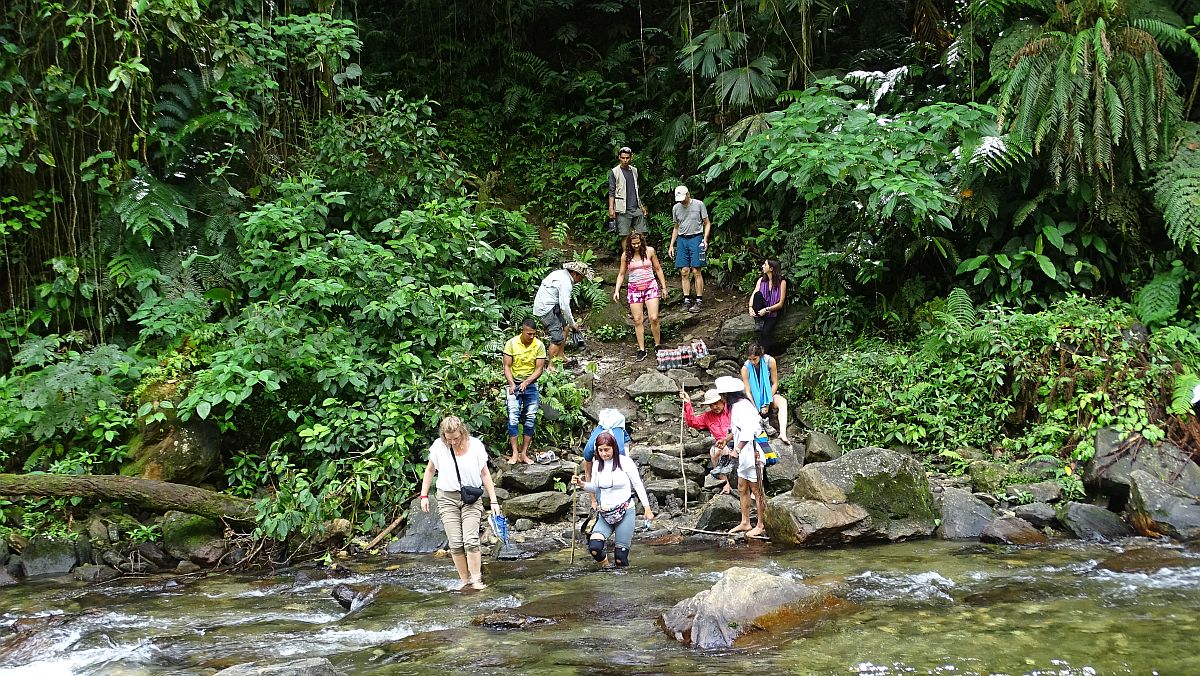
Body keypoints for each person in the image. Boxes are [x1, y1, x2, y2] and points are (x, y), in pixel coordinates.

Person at [418, 416, 502, 590]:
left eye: (456, 438)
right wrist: (424, 496)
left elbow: (485, 474)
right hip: (447, 498)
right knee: (455, 543)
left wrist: (494, 501)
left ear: (462, 432)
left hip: (471, 498)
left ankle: (477, 580)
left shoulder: (476, 446)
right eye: (449, 440)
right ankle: (465, 581)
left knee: (471, 540)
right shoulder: (439, 447)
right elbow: (430, 470)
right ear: (443, 437)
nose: (453, 442)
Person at [570, 432, 653, 568]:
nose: (604, 454)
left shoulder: (625, 462)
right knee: (595, 547)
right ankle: (607, 569)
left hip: (625, 511)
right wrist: (581, 484)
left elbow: (638, 485)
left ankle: (623, 583)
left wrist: (647, 509)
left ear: (614, 447)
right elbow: (595, 487)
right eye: (600, 450)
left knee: (620, 558)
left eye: (607, 450)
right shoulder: (597, 464)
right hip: (605, 513)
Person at [715, 376, 767, 537]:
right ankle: (745, 522)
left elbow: (748, 432)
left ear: (727, 395)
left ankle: (761, 524)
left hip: (752, 453)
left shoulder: (742, 407)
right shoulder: (735, 407)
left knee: (757, 491)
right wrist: (726, 440)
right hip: (744, 454)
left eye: (722, 395)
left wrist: (736, 449)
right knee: (742, 487)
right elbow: (736, 430)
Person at [611, 231, 668, 363]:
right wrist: (617, 290)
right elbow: (621, 274)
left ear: (642, 242)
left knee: (654, 317)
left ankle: (657, 345)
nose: (636, 246)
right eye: (633, 243)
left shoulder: (650, 251)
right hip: (634, 288)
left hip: (650, 286)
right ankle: (642, 349)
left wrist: (664, 287)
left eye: (638, 243)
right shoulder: (626, 256)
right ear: (629, 244)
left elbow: (658, 269)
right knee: (637, 319)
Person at [533, 260, 595, 370]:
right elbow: (564, 306)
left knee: (565, 327)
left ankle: (560, 355)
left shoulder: (560, 273)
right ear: (575, 274)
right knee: (557, 337)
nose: (580, 281)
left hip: (550, 305)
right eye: (581, 278)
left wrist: (569, 324)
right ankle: (551, 366)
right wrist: (573, 323)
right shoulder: (566, 282)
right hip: (546, 309)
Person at [502, 318, 547, 465]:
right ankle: (515, 452)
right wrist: (511, 383)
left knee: (530, 418)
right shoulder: (512, 343)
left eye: (534, 334)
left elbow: (539, 369)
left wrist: (527, 382)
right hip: (514, 383)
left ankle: (524, 453)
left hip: (530, 384)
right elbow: (507, 366)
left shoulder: (539, 345)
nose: (531, 336)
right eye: (529, 334)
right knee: (513, 417)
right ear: (522, 331)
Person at [679, 387, 733, 494]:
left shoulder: (732, 410)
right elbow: (692, 422)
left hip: (738, 442)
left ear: (722, 400)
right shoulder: (707, 416)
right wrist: (688, 403)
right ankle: (725, 484)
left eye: (716, 403)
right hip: (722, 445)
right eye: (711, 405)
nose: (714, 407)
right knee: (715, 451)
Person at [668, 186, 711, 314]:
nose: (681, 201)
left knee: (696, 270)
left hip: (696, 238)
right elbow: (676, 227)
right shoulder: (676, 208)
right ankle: (686, 300)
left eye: (683, 198)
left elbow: (707, 222)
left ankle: (699, 300)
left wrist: (705, 239)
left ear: (688, 194)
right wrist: (671, 245)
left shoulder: (699, 204)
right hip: (682, 239)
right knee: (684, 271)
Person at [740, 343, 792, 446]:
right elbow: (748, 391)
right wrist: (756, 407)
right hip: (753, 398)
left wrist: (767, 403)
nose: (752, 362)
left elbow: (775, 383)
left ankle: (783, 433)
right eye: (750, 359)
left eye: (754, 359)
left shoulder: (770, 361)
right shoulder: (745, 368)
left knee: (783, 402)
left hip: (769, 394)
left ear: (761, 355)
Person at [607, 146, 648, 251]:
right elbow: (611, 191)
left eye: (627, 158)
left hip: (636, 207)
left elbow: (636, 190)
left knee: (642, 233)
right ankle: (627, 259)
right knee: (624, 235)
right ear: (619, 158)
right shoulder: (615, 172)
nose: (625, 160)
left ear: (631, 158)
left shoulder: (634, 171)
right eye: (623, 158)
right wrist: (611, 208)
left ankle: (642, 257)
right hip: (622, 208)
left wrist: (642, 206)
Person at [748, 258, 787, 350]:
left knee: (766, 332)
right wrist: (750, 308)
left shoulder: (782, 282)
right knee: (758, 295)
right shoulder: (761, 280)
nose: (763, 266)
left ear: (771, 269)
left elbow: (780, 304)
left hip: (773, 311)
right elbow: (754, 295)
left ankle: (764, 355)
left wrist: (767, 309)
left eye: (765, 265)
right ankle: (757, 322)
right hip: (761, 310)